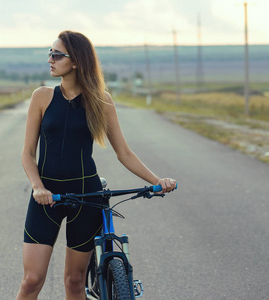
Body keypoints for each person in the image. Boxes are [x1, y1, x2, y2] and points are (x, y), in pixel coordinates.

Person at [17, 30, 176, 300]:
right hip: (46, 198)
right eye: (49, 53)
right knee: (32, 280)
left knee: (75, 281)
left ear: (76, 61)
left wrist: (155, 181)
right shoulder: (42, 97)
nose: (50, 59)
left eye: (56, 54)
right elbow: (27, 153)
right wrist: (37, 187)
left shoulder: (101, 101)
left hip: (87, 198)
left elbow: (123, 152)